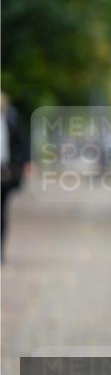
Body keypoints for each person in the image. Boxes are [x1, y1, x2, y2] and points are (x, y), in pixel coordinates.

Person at [0, 93, 29, 263]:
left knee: (2, 211)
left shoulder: (10, 119)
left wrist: (25, 162)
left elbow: (22, 141)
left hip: (5, 171)